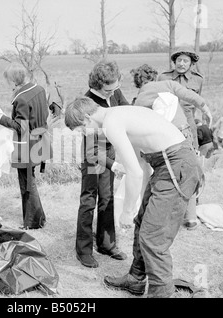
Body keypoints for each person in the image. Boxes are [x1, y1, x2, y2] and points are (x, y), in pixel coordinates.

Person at [64, 97, 202, 298]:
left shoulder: (112, 124)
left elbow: (134, 173)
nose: (84, 134)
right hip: (166, 166)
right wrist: (139, 206)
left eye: (81, 130)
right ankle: (136, 279)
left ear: (86, 119)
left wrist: (126, 212)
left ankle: (161, 294)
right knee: (143, 222)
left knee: (154, 237)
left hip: (176, 166)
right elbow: (142, 166)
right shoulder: (120, 114)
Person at [131, 64, 212, 230]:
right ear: (154, 76)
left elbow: (138, 125)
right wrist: (206, 109)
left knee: (164, 177)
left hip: (166, 141)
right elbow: (191, 96)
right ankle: (190, 218)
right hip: (185, 134)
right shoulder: (169, 84)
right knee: (189, 174)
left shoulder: (140, 98)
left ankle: (156, 216)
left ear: (138, 83)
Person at [74, 59, 129, 268]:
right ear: (97, 85)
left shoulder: (114, 91)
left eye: (115, 88)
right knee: (89, 200)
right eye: (108, 90)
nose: (112, 93)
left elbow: (125, 110)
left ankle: (107, 244)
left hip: (110, 149)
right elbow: (92, 149)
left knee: (107, 198)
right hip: (93, 154)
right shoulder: (86, 103)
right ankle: (84, 249)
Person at [0, 63, 51, 230]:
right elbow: (46, 113)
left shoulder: (21, 98)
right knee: (31, 181)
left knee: (27, 183)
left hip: (27, 146)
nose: (7, 84)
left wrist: (1, 118)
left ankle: (33, 222)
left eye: (8, 81)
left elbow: (21, 127)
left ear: (14, 81)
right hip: (40, 140)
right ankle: (39, 217)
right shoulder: (40, 89)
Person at [158, 47, 205, 150]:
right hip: (169, 122)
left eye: (185, 61)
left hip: (189, 122)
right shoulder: (164, 78)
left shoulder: (198, 79)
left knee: (192, 152)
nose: (181, 63)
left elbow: (197, 102)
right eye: (179, 60)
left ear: (191, 63)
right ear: (175, 62)